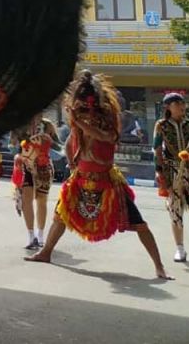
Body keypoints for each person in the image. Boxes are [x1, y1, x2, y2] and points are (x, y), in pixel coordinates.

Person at [27, 72, 173, 280]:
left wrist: (80, 122)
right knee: (60, 217)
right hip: (80, 178)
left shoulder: (108, 121)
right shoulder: (78, 123)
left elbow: (106, 137)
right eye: (83, 110)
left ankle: (159, 266)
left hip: (107, 182)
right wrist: (70, 161)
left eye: (89, 109)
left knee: (139, 224)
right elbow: (69, 142)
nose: (87, 114)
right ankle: (46, 252)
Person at [154, 92, 189, 264]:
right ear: (168, 107)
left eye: (182, 103)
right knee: (175, 211)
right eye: (177, 103)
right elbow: (156, 148)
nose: (181, 106)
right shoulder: (161, 125)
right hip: (172, 171)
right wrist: (159, 171)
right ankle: (179, 248)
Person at [13, 118, 56, 249]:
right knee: (26, 200)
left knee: (41, 200)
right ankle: (31, 236)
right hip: (25, 166)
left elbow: (58, 146)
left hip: (43, 167)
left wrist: (48, 139)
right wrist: (17, 156)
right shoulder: (18, 125)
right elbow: (12, 146)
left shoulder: (47, 125)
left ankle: (40, 235)